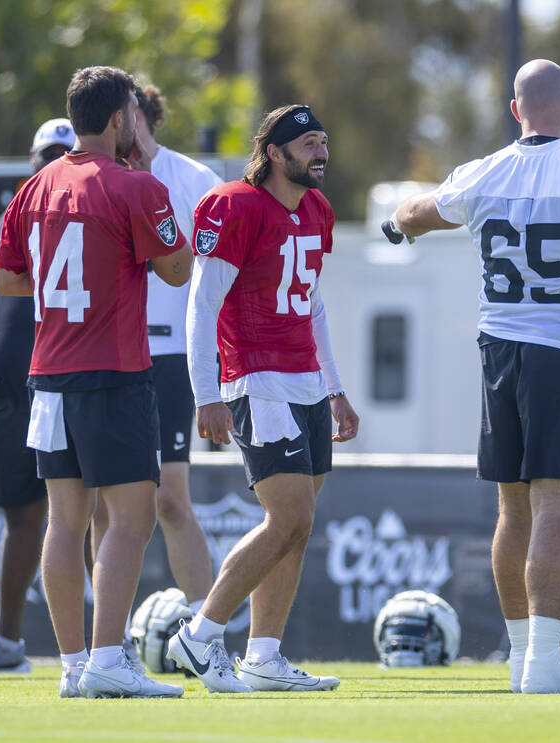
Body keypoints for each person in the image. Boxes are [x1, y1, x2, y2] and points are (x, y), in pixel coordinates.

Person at [385, 58, 560, 694]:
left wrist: (396, 223)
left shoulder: (482, 172)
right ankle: (543, 661)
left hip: (501, 355)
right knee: (556, 509)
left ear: (515, 109)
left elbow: (414, 212)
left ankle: (524, 659)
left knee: (513, 511)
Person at [0, 66, 192, 699]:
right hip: (114, 373)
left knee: (63, 522)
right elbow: (178, 271)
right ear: (118, 119)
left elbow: (6, 280)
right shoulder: (138, 186)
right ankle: (109, 658)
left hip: (48, 376)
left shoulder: (35, 187)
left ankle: (73, 665)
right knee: (129, 522)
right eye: (132, 113)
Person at [168, 103, 359, 694]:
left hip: (303, 378)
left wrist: (335, 387)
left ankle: (264, 655)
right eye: (307, 144)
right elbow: (201, 306)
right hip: (255, 376)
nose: (320, 152)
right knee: (290, 517)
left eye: (323, 141)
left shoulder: (318, 210)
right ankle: (198, 634)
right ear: (274, 153)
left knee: (298, 527)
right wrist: (207, 393)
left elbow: (314, 304)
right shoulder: (235, 204)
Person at [89, 83, 219, 639]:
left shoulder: (193, 180)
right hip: (106, 353)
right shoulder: (92, 179)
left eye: (130, 116)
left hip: (168, 354)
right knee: (102, 501)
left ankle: (208, 636)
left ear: (140, 117)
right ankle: (106, 643)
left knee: (169, 499)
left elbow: (217, 273)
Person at [0, 118, 75, 675]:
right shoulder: (5, 225)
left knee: (85, 509)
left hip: (70, 379)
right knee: (21, 516)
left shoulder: (90, 209)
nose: (51, 163)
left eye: (62, 152)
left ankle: (99, 646)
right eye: (44, 154)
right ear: (31, 159)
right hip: (13, 387)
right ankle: (8, 642)